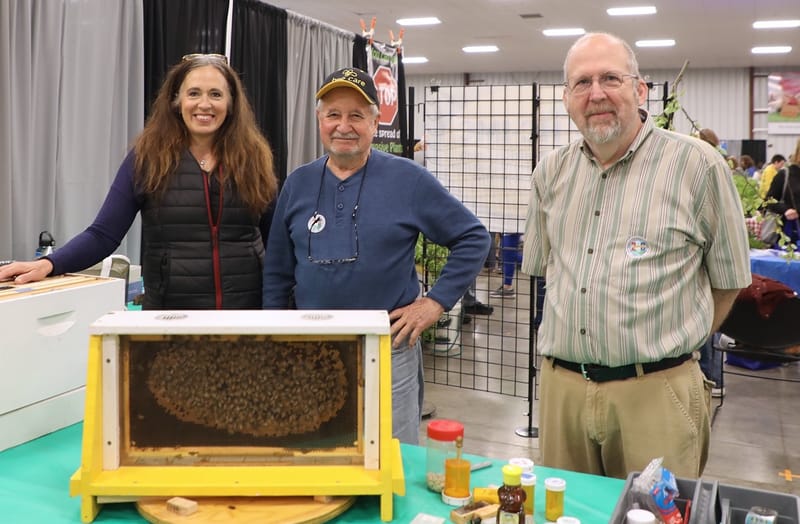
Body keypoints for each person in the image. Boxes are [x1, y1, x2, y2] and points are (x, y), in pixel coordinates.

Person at [521, 33, 751, 479]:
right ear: (567, 99)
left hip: (656, 393)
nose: (597, 94)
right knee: (567, 511)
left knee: (653, 511)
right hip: (561, 392)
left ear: (640, 89)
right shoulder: (550, 172)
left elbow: (730, 279)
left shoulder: (696, 166)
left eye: (611, 78)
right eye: (582, 83)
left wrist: (672, 350)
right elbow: (546, 269)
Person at [262, 67, 490, 444]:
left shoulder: (409, 180)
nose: (343, 125)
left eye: (356, 115)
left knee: (392, 455)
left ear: (375, 122)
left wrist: (435, 303)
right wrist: (275, 335)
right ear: (320, 120)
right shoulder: (298, 183)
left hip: (388, 349)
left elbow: (472, 237)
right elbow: (277, 272)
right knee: (316, 449)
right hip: (310, 349)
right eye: (333, 114)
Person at [0, 54, 278, 309]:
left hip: (245, 317)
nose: (204, 104)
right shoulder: (147, 158)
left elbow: (277, 242)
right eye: (194, 93)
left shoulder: (254, 159)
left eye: (216, 94)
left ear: (230, 104)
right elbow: (103, 234)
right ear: (176, 100)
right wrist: (49, 263)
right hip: (169, 319)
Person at [489, 233, 522, 298]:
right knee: (508, 255)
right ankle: (507, 286)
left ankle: (507, 287)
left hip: (512, 228)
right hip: (508, 229)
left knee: (509, 255)